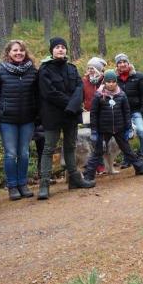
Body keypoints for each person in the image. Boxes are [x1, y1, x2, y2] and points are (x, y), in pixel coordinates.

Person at [37, 37, 95, 199]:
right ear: (52, 51)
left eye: (63, 47)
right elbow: (49, 92)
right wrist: (70, 104)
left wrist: (73, 106)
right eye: (57, 47)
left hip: (71, 115)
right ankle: (44, 185)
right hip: (52, 115)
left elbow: (79, 88)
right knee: (49, 149)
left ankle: (74, 180)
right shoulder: (44, 69)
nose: (60, 49)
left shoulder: (72, 68)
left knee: (70, 146)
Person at [0, 40, 39, 201]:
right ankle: (12, 186)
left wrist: (38, 114)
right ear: (8, 52)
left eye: (21, 50)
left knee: (24, 153)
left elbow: (37, 94)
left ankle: (23, 184)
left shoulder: (32, 70)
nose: (19, 53)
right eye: (15, 50)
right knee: (11, 153)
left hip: (27, 119)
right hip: (7, 120)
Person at [84, 70, 143, 180]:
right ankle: (88, 175)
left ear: (116, 82)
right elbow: (94, 114)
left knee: (128, 150)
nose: (110, 84)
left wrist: (129, 128)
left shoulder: (121, 95)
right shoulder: (98, 95)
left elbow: (126, 112)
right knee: (98, 152)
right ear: (104, 82)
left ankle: (140, 168)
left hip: (119, 128)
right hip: (103, 129)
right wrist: (94, 131)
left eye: (113, 81)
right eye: (108, 82)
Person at [114, 53, 143, 167]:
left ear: (128, 63)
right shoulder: (114, 79)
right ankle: (128, 158)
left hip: (136, 111)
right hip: (121, 114)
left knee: (141, 131)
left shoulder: (138, 76)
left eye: (124, 62)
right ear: (117, 66)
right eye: (119, 63)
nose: (122, 64)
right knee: (124, 136)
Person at [82, 56, 108, 174]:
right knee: (90, 140)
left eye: (93, 68)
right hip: (88, 114)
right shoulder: (84, 81)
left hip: (102, 115)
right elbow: (81, 96)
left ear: (99, 69)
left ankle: (102, 164)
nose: (90, 70)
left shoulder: (105, 81)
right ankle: (91, 165)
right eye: (89, 68)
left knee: (100, 141)